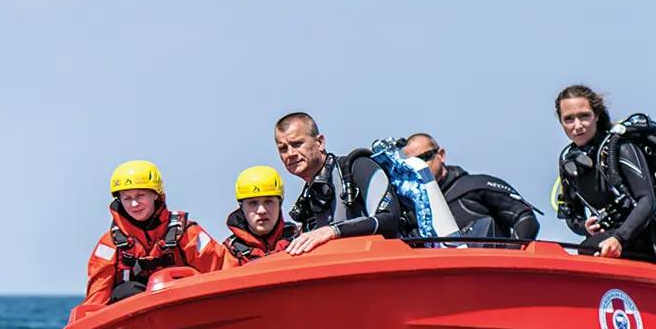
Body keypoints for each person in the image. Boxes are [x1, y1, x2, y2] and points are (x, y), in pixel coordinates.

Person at [74, 159, 225, 320]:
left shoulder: (187, 233)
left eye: (140, 195)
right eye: (126, 198)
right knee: (126, 292)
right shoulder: (110, 244)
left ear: (155, 195)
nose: (134, 204)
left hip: (187, 312)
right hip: (135, 326)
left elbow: (222, 270)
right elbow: (98, 295)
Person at [551, 84, 656, 259]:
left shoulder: (620, 148)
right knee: (588, 246)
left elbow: (648, 201)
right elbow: (572, 213)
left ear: (597, 116)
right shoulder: (569, 163)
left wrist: (619, 238)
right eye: (569, 119)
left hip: (650, 233)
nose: (577, 126)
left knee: (589, 248)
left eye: (584, 116)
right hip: (612, 238)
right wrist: (584, 225)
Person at [274, 112, 402, 255]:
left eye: (297, 144)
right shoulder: (307, 201)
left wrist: (333, 231)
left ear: (320, 142)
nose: (290, 153)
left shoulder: (358, 167)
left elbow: (389, 221)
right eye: (283, 149)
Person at [401, 134, 540, 241]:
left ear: (441, 155)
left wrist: (509, 262)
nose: (419, 168)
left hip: (492, 273)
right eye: (411, 165)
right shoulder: (410, 211)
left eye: (424, 158)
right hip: (443, 276)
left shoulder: (476, 186)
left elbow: (525, 218)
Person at [223, 165, 300, 263]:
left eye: (268, 201)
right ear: (241, 207)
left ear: (280, 203)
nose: (261, 210)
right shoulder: (228, 254)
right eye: (253, 203)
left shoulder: (302, 239)